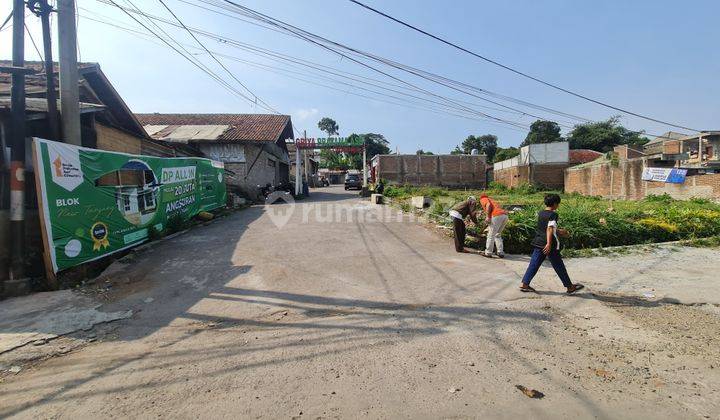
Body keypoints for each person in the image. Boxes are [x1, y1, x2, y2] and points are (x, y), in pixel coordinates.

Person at [520, 193, 584, 294]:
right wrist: (549, 244)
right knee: (559, 266)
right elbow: (549, 229)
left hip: (538, 242)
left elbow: (547, 227)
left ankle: (525, 284)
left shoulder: (541, 213)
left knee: (534, 264)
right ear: (554, 204)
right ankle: (570, 287)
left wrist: (559, 231)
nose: (558, 206)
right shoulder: (553, 214)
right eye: (558, 204)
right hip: (549, 245)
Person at [479, 193, 508, 258]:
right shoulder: (492, 200)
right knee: (497, 235)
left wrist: (488, 217)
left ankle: (488, 252)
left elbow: (488, 205)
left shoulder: (483, 199)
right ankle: (500, 252)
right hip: (504, 216)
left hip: (496, 215)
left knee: (491, 235)